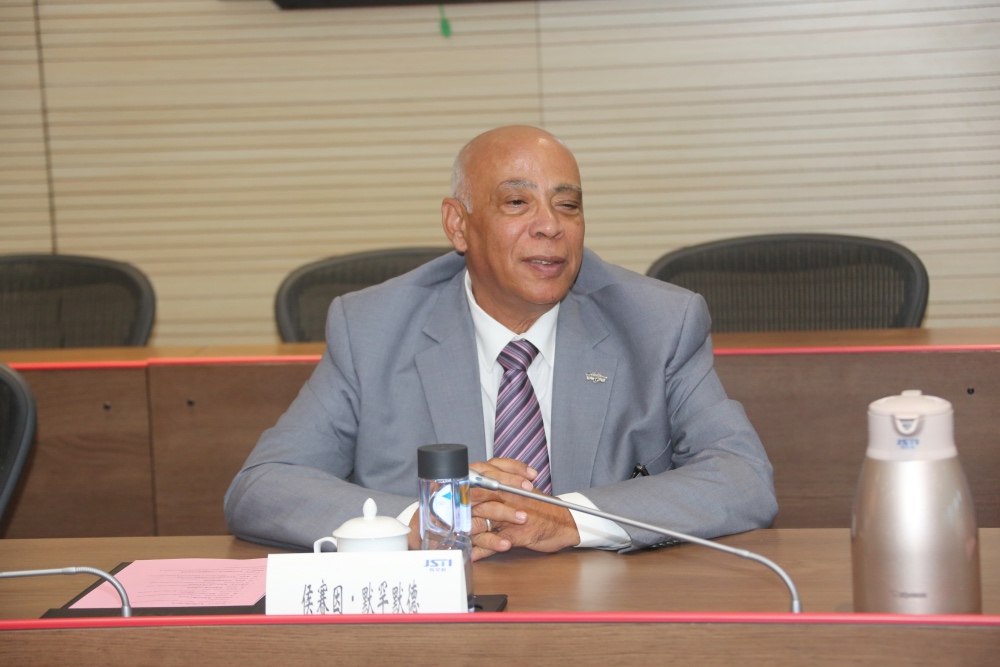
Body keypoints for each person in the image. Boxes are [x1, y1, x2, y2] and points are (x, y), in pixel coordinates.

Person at [224, 125, 776, 560]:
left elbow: (742, 478)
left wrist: (568, 517)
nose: (550, 226)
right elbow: (264, 487)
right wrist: (427, 519)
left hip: (602, 621)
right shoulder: (371, 327)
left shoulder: (659, 322)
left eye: (567, 205)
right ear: (458, 225)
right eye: (517, 203)